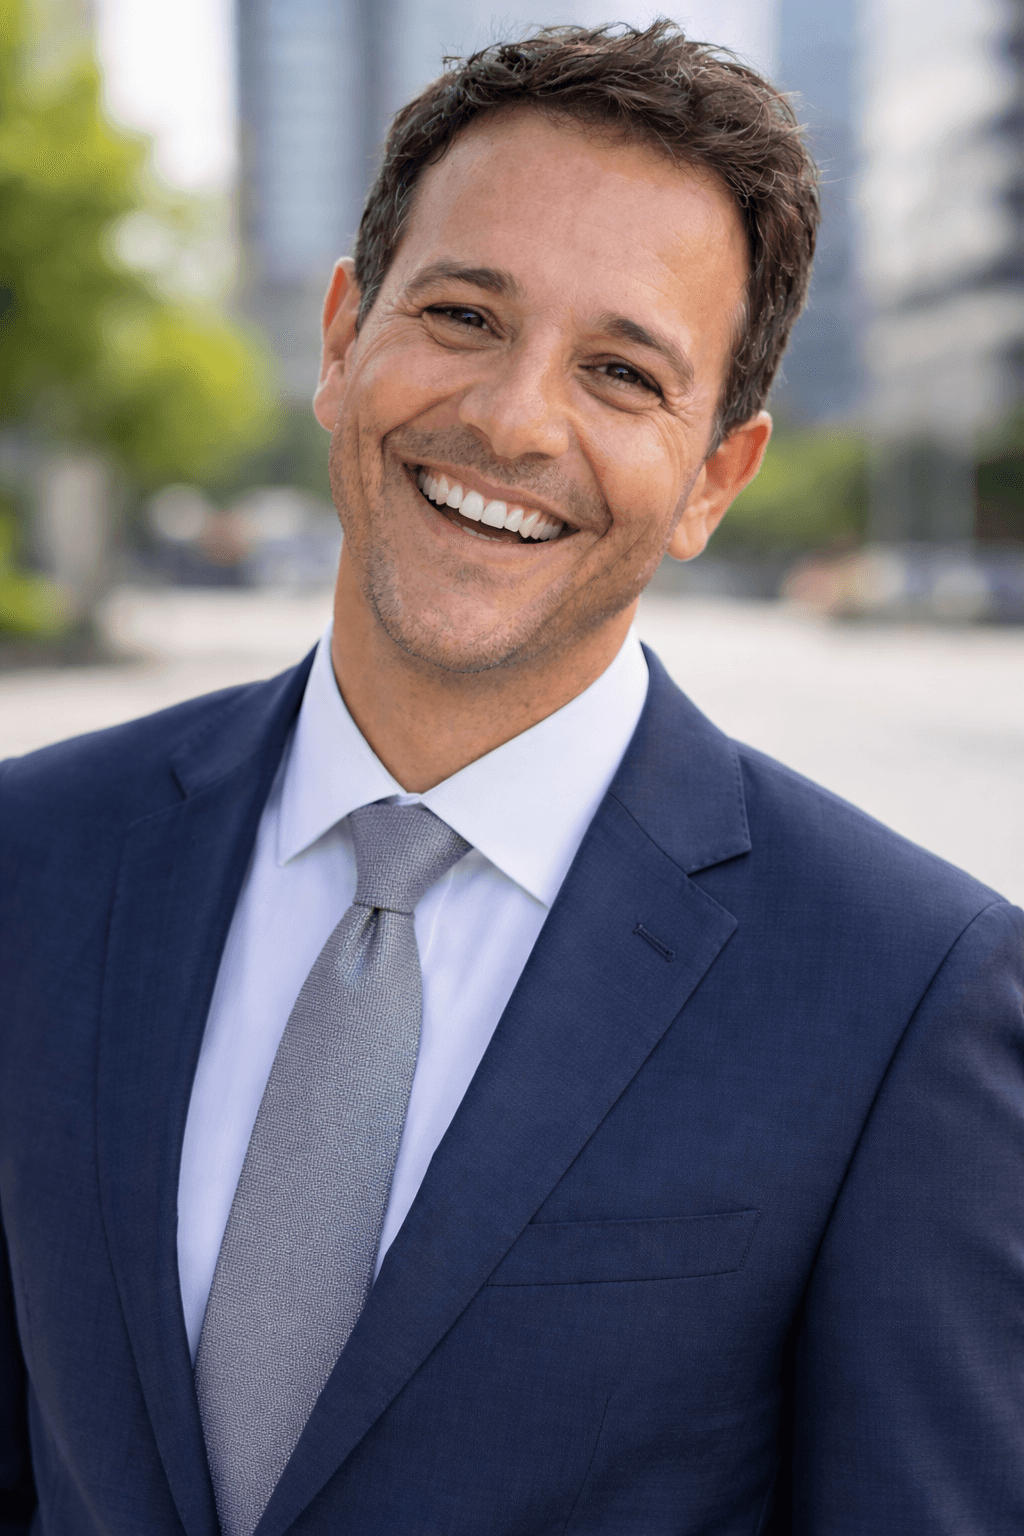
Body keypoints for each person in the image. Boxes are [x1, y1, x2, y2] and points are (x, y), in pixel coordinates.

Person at [1, 20, 1022, 1535]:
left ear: (715, 480)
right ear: (343, 337)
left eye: (621, 372)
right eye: (466, 313)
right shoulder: (34, 858)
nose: (512, 417)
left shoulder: (907, 992)